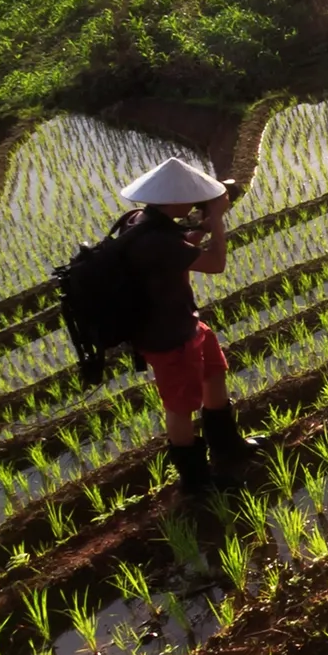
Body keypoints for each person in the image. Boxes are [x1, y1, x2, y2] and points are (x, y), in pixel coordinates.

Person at [119, 157, 260, 496]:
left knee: (214, 372)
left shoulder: (144, 221)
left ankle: (227, 445)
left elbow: (181, 247)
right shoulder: (154, 239)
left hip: (184, 321)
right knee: (181, 406)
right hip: (167, 335)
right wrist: (218, 222)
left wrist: (204, 226)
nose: (195, 200)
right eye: (191, 195)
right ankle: (196, 482)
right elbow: (216, 263)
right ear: (174, 199)